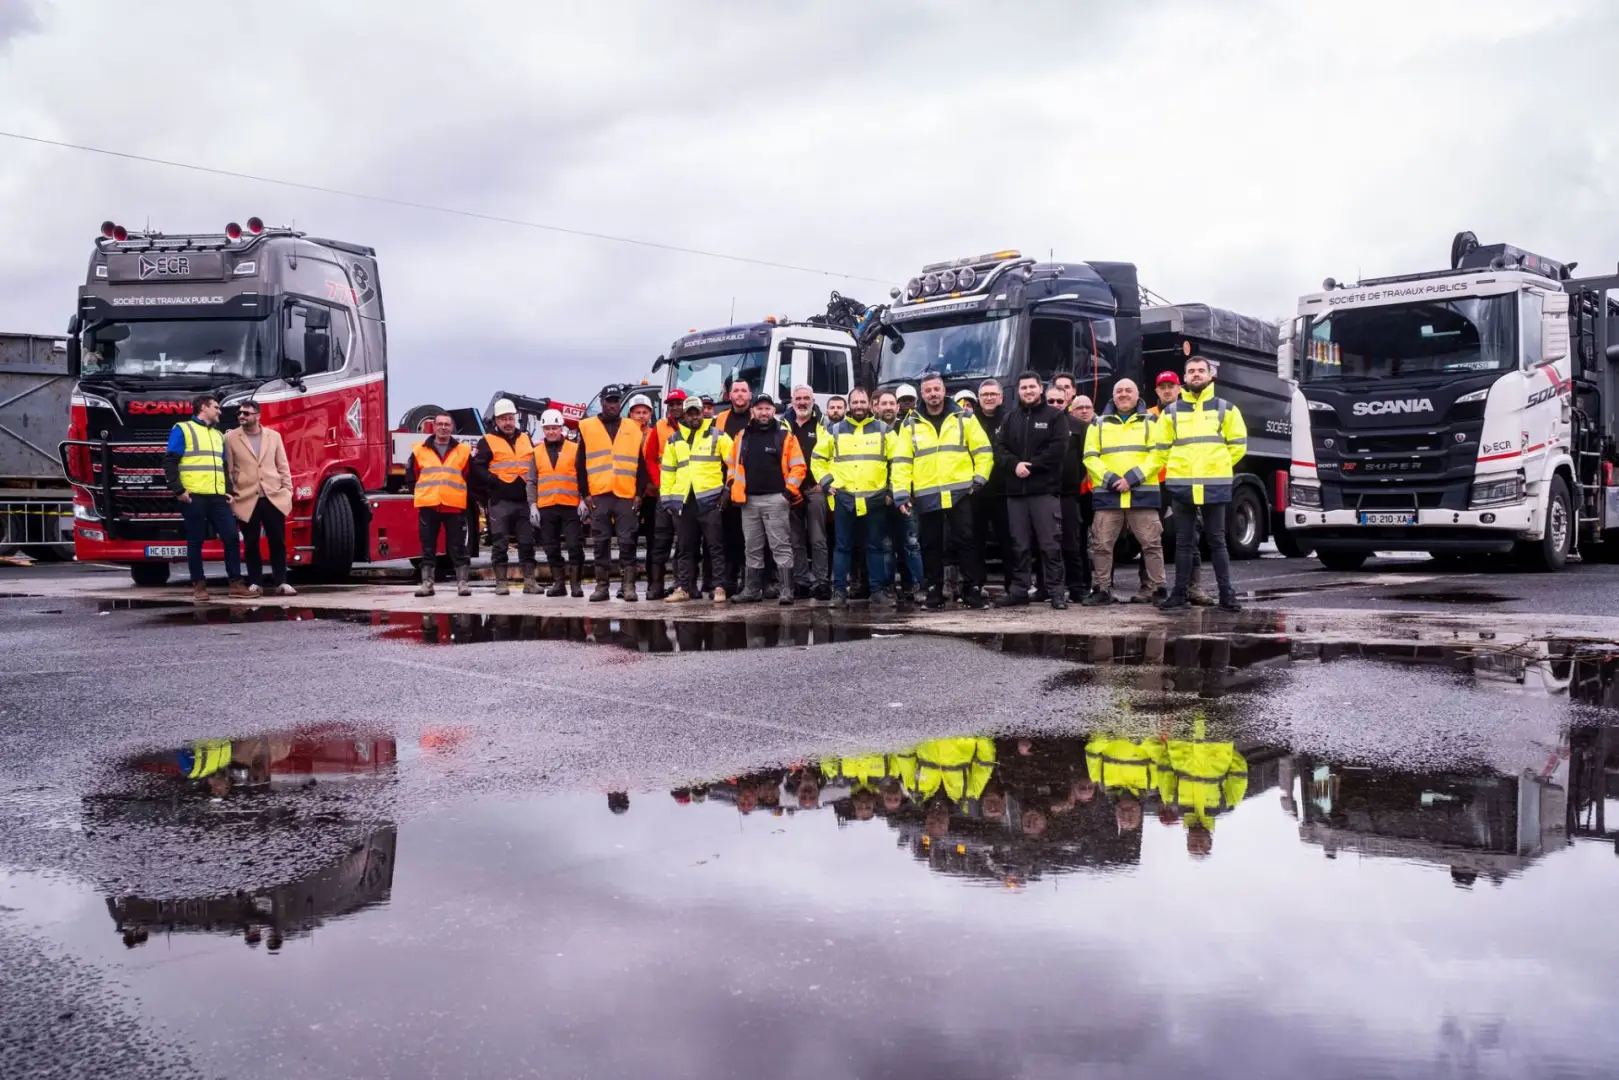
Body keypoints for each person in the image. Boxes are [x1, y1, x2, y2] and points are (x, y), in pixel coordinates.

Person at [890, 373, 991, 610]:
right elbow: (902, 462)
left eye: (937, 389)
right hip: (927, 494)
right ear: (922, 394)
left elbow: (983, 451)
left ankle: (971, 591)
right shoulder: (909, 424)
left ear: (944, 390)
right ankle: (934, 592)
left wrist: (979, 479)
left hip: (961, 492)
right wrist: (901, 493)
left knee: (967, 541)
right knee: (930, 544)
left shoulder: (964, 418)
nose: (933, 394)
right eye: (928, 390)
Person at [1158, 355, 1247, 613]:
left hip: (1214, 485)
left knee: (1217, 541)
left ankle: (1227, 594)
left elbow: (1238, 447)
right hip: (1182, 486)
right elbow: (1161, 449)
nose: (1196, 374)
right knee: (1183, 542)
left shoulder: (1226, 409)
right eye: (1191, 371)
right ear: (1184, 378)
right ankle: (1179, 594)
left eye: (1200, 371)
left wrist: (1216, 467)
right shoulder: (1171, 412)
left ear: (1210, 376)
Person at [1083, 378, 1166, 604]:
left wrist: (1132, 479)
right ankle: (1102, 589)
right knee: (1101, 545)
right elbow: (1090, 457)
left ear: (1137, 394)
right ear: (1113, 395)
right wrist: (1111, 480)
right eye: (1119, 391)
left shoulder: (1151, 422)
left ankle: (1157, 589)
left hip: (1142, 494)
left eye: (1128, 390)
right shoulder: (1097, 424)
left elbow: (1158, 456)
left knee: (1151, 544)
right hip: (1108, 495)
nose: (1123, 394)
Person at [994, 372, 1070, 609]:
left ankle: (1056, 592)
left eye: (1032, 387)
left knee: (1050, 545)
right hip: (1016, 493)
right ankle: (1019, 590)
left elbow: (1058, 450)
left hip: (1043, 491)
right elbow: (999, 449)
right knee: (1019, 545)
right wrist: (1014, 465)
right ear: (1018, 391)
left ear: (1041, 389)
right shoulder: (1009, 419)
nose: (1028, 391)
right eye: (1023, 387)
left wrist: (1032, 467)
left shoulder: (1055, 417)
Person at [814, 387, 893, 607]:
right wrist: (827, 482)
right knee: (842, 547)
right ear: (849, 405)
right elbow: (817, 458)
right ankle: (839, 592)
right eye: (855, 402)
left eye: (862, 402)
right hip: (845, 497)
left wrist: (892, 490)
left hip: (875, 498)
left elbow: (899, 460)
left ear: (870, 404)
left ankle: (877, 591)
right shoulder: (835, 430)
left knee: (875, 546)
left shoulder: (884, 430)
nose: (859, 406)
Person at [164, 394, 247, 602]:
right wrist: (179, 491)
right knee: (195, 541)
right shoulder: (183, 429)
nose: (220, 411)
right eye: (216, 407)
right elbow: (170, 462)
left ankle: (236, 583)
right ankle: (199, 586)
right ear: (203, 408)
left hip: (218, 496)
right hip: (194, 496)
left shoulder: (218, 435)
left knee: (231, 537)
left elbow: (221, 467)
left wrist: (227, 491)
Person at [725, 394, 805, 605]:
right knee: (751, 546)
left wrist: (788, 492)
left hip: (776, 500)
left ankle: (787, 590)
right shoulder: (742, 436)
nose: (764, 412)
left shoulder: (785, 436)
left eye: (768, 408)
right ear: (753, 411)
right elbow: (732, 465)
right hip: (748, 501)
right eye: (759, 408)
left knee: (780, 546)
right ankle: (752, 590)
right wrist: (733, 484)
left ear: (773, 411)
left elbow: (798, 466)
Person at [577, 385, 648, 602]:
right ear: (602, 402)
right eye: (609, 400)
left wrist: (639, 493)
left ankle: (628, 587)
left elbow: (640, 464)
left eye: (616, 400)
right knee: (601, 542)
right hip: (599, 494)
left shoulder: (633, 427)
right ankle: (602, 587)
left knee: (627, 542)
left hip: (626, 494)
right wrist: (585, 493)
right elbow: (580, 463)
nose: (613, 404)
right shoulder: (587, 427)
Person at [659, 396, 732, 603]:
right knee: (685, 548)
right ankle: (683, 588)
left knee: (715, 547)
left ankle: (719, 587)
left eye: (697, 412)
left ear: (703, 413)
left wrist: (728, 490)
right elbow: (667, 472)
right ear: (684, 414)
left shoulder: (718, 435)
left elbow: (735, 462)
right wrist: (667, 500)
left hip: (710, 500)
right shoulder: (674, 440)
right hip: (684, 502)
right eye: (690, 413)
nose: (694, 417)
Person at [1150, 371, 1210, 606]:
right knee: (1152, 537)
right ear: (1156, 391)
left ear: (1179, 388)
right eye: (1162, 387)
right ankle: (1152, 587)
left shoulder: (1191, 413)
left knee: (1190, 537)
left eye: (1171, 386)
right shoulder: (1149, 417)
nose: (1167, 391)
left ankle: (1193, 588)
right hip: (1156, 483)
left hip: (1183, 481)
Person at [224, 401, 295, 598]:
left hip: (272, 496)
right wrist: (231, 495)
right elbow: (229, 470)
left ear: (257, 415)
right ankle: (256, 582)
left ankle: (281, 582)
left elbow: (283, 466)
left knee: (278, 541)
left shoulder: (274, 436)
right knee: (251, 542)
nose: (241, 416)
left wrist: (287, 491)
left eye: (246, 412)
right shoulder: (230, 438)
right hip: (246, 498)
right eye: (239, 412)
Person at [472, 398, 537, 596]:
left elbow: (535, 465)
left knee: (527, 542)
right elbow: (477, 467)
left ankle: (530, 581)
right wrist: (493, 481)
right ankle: (501, 582)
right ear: (496, 421)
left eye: (510, 418)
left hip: (524, 500)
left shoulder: (526, 438)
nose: (508, 422)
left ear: (515, 418)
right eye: (503, 419)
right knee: (499, 543)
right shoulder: (487, 441)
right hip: (500, 501)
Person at [408, 412, 472, 597]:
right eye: (440, 424)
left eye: (447, 424)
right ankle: (427, 584)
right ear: (434, 427)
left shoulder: (463, 451)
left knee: (458, 546)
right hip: (429, 505)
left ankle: (463, 583)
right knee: (427, 547)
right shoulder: (420, 450)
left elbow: (470, 476)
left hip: (454, 506)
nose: (443, 427)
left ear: (452, 428)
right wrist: (421, 493)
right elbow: (412, 476)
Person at [526, 409, 585, 598]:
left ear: (561, 428)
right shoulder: (536, 452)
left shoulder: (575, 449)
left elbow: (583, 477)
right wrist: (532, 505)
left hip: (570, 507)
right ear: (543, 429)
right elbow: (531, 481)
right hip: (547, 508)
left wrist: (583, 500)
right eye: (548, 428)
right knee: (551, 547)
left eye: (555, 428)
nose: (551, 432)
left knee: (575, 545)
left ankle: (576, 585)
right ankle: (559, 584)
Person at [783, 384, 831, 600]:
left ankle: (821, 582)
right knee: (795, 540)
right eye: (798, 398)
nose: (802, 402)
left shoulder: (823, 424)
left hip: (815, 489)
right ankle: (801, 582)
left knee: (818, 538)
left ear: (813, 400)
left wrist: (825, 483)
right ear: (792, 401)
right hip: (791, 491)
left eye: (806, 398)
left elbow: (833, 455)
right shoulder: (783, 425)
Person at [873, 390, 922, 599]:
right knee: (885, 546)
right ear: (876, 406)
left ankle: (915, 586)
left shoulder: (908, 428)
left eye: (892, 403)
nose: (888, 407)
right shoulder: (871, 430)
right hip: (879, 498)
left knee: (911, 544)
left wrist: (899, 491)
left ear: (897, 406)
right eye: (884, 403)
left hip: (907, 496)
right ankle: (888, 587)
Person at [642, 389, 688, 601]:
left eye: (679, 403)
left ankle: (682, 586)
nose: (676, 407)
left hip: (687, 494)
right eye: (672, 404)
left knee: (685, 542)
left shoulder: (694, 426)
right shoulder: (659, 428)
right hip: (665, 493)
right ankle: (656, 586)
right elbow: (650, 458)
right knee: (660, 540)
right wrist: (660, 482)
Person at [971, 379, 1012, 596]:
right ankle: (977, 583)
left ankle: (1012, 584)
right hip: (975, 491)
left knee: (1007, 539)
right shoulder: (969, 421)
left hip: (1003, 489)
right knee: (975, 539)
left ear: (1001, 397)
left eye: (993, 394)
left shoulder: (1010, 419)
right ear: (979, 398)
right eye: (984, 394)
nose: (988, 398)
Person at [712, 380, 753, 595]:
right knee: (729, 535)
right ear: (729, 395)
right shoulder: (720, 419)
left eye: (743, 390)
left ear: (750, 394)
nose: (739, 394)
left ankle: (752, 581)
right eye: (735, 390)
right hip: (726, 486)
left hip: (753, 486)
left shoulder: (757, 417)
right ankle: (729, 580)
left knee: (752, 536)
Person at [1055, 389, 1093, 603]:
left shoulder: (1080, 427)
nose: (1055, 403)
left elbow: (1085, 459)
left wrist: (1077, 482)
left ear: (1067, 401)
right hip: (1045, 492)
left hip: (1072, 494)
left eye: (1059, 400)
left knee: (1073, 542)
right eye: (1050, 400)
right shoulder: (1039, 424)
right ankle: (1049, 587)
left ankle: (1077, 587)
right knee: (1046, 544)